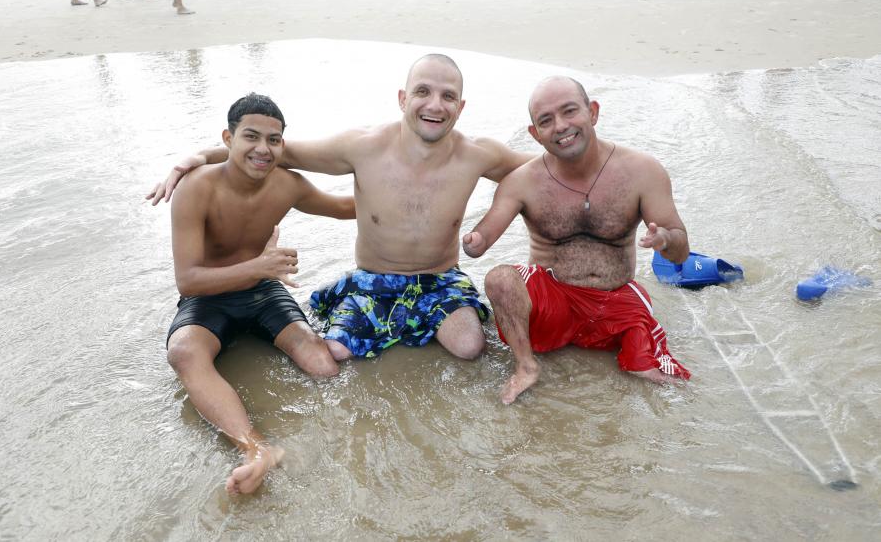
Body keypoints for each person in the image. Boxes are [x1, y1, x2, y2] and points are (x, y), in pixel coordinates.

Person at [148, 54, 532, 362]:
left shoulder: (479, 154)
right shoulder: (361, 146)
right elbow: (277, 151)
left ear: (461, 106)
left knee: (470, 348)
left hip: (440, 279)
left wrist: (494, 220)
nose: (435, 105)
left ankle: (425, 324)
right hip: (373, 279)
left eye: (448, 96)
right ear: (403, 99)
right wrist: (198, 155)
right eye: (423, 92)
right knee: (335, 352)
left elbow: (538, 172)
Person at [165, 93, 354, 495]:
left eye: (274, 140)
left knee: (323, 366)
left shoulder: (288, 185)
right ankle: (255, 450)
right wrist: (258, 267)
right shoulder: (195, 188)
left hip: (263, 292)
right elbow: (188, 281)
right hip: (210, 298)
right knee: (183, 352)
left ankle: (327, 444)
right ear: (228, 138)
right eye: (251, 136)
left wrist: (411, 186)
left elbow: (343, 207)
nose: (263, 149)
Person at [462, 76, 692, 404]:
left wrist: (666, 238)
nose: (560, 126)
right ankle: (526, 366)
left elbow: (680, 252)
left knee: (655, 373)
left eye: (570, 111)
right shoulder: (522, 181)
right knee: (499, 279)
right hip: (554, 302)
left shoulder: (642, 171)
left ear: (593, 112)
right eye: (546, 120)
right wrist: (473, 241)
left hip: (614, 298)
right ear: (535, 134)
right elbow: (483, 237)